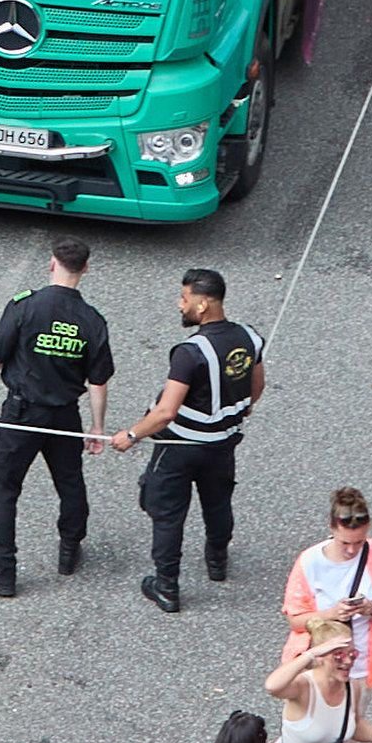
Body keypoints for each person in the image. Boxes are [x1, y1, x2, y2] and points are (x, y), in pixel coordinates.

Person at [0, 238, 119, 597]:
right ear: (85, 269)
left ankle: (1, 571)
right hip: (65, 415)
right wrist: (97, 427)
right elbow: (98, 381)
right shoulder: (92, 321)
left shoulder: (25, 306)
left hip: (21, 413)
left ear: (52, 264)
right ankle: (69, 549)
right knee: (70, 482)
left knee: (3, 488)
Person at [104, 264, 264, 617]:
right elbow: (258, 387)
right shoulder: (250, 338)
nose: (180, 305)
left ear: (203, 304)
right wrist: (239, 411)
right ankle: (217, 561)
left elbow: (166, 413)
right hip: (222, 444)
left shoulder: (189, 352)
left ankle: (166, 586)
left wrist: (130, 435)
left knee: (167, 515)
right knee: (218, 503)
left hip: (179, 448)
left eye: (184, 298)